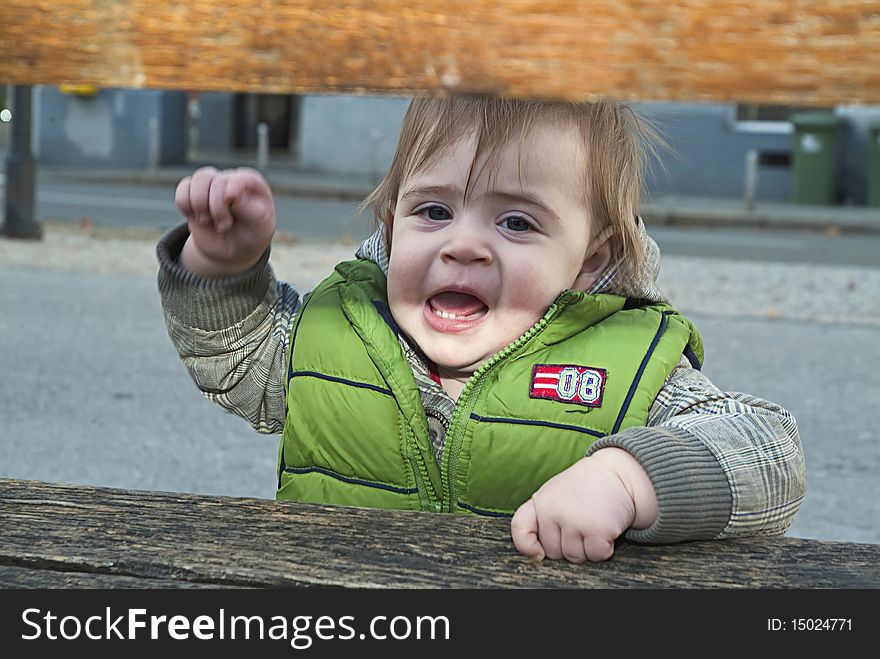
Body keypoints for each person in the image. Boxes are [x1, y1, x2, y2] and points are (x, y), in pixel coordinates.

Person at [157, 94, 805, 563]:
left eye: (517, 222)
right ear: (390, 226)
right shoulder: (335, 332)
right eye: (434, 210)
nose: (463, 245)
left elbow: (770, 454)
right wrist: (224, 265)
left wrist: (626, 479)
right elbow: (238, 358)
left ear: (591, 260)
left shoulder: (630, 369)